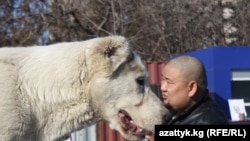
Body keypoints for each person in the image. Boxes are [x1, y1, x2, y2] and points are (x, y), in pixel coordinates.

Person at [145, 55, 228, 140]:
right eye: (162, 79)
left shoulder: (211, 123)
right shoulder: (175, 111)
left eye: (169, 82)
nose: (162, 87)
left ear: (191, 88)